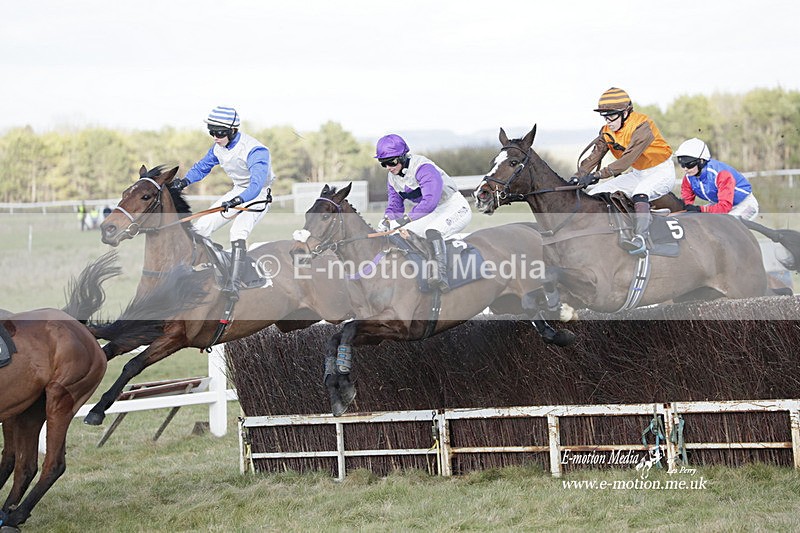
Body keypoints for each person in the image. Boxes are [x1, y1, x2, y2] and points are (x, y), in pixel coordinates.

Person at [170, 105, 273, 301]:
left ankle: (234, 285)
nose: (215, 137)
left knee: (237, 232)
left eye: (219, 133)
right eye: (211, 132)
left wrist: (239, 200)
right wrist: (184, 182)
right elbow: (202, 167)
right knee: (201, 228)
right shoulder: (218, 148)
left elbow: (256, 183)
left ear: (233, 131)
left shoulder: (256, 150)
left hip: (258, 194)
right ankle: (200, 272)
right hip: (237, 191)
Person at [571, 87, 676, 255]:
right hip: (638, 173)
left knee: (640, 193)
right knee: (597, 192)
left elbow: (626, 161)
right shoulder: (606, 131)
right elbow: (594, 157)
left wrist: (597, 175)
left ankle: (640, 238)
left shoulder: (642, 125)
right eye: (604, 116)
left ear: (626, 112)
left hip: (661, 172)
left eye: (612, 115)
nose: (608, 121)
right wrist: (578, 177)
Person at [375, 133, 472, 292]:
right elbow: (394, 206)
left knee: (433, 231)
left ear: (402, 157)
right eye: (383, 163)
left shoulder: (423, 168)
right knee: (404, 234)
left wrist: (406, 218)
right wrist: (387, 220)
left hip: (453, 206)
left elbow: (430, 202)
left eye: (391, 162)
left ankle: (440, 276)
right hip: (431, 211)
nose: (388, 168)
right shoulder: (392, 177)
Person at [676, 138, 759, 220]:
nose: (685, 169)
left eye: (689, 164)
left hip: (745, 204)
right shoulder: (688, 179)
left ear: (701, 161)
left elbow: (724, 207)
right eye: (682, 164)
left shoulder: (721, 175)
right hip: (719, 205)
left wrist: (699, 209)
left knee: (727, 227)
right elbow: (685, 206)